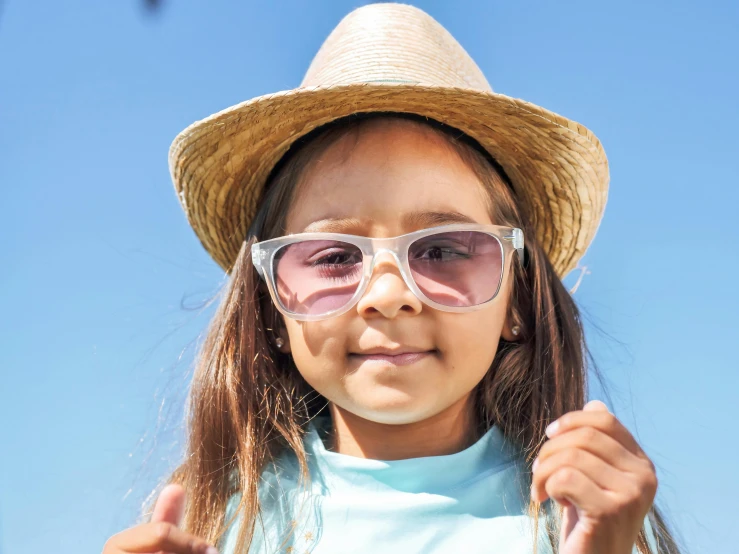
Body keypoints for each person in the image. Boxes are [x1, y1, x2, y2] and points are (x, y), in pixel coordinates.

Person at [103, 4, 684, 554]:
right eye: (333, 257)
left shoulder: (587, 518)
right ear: (271, 309)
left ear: (519, 298)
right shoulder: (219, 525)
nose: (389, 295)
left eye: (443, 249)